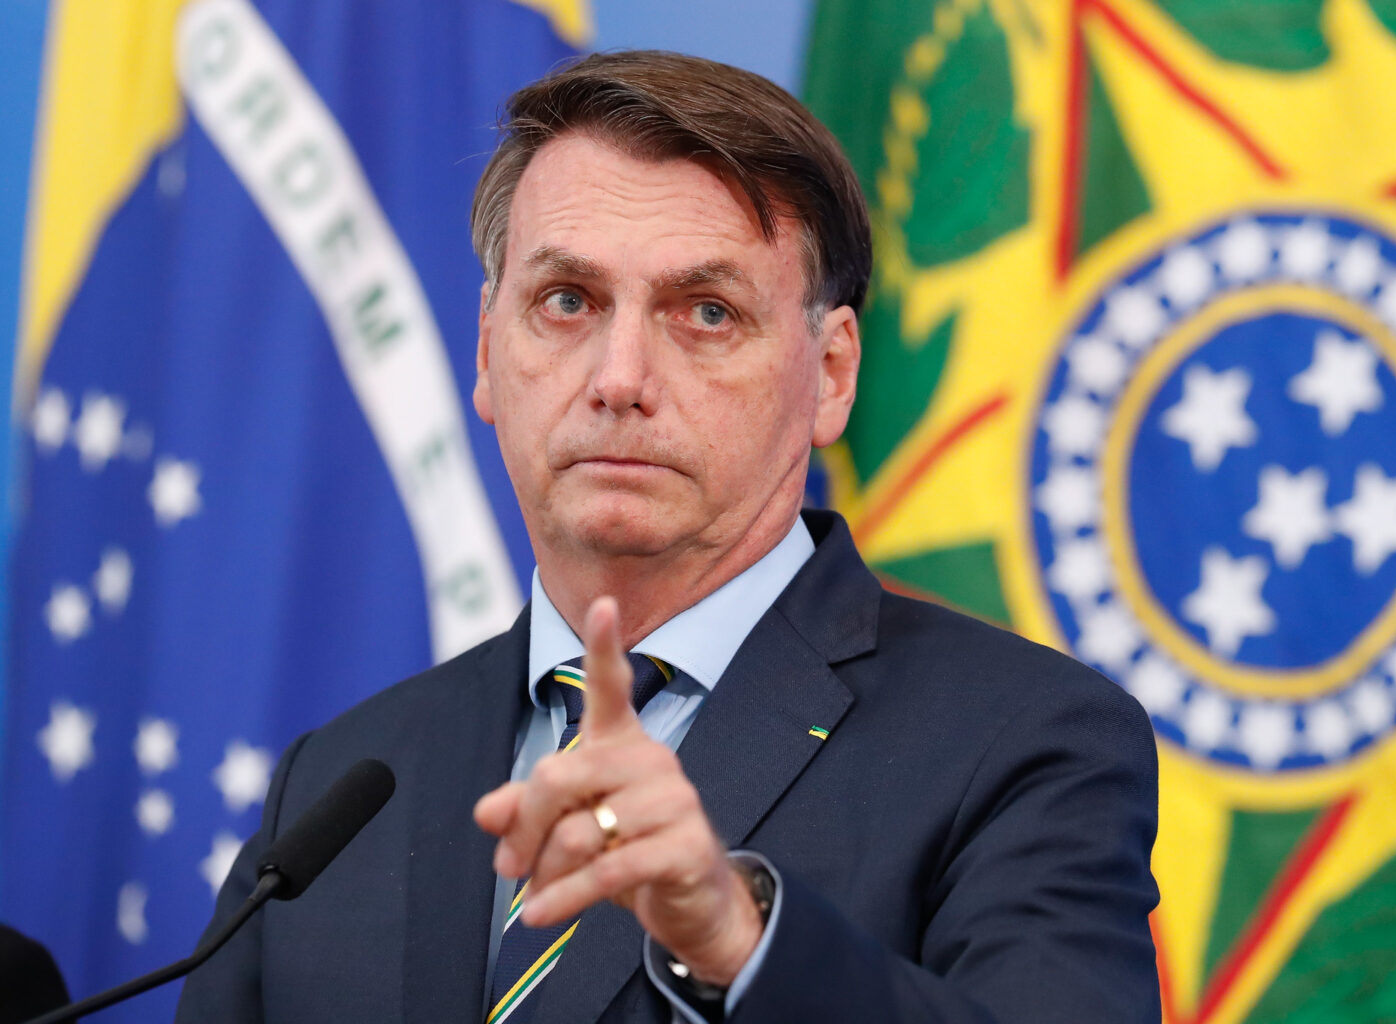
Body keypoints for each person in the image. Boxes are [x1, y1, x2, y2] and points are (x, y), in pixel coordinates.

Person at [176, 51, 1159, 1023]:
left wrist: (743, 942)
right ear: (486, 349)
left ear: (830, 374)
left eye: (707, 313)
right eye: (567, 301)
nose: (619, 378)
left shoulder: (1025, 742)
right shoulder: (339, 787)